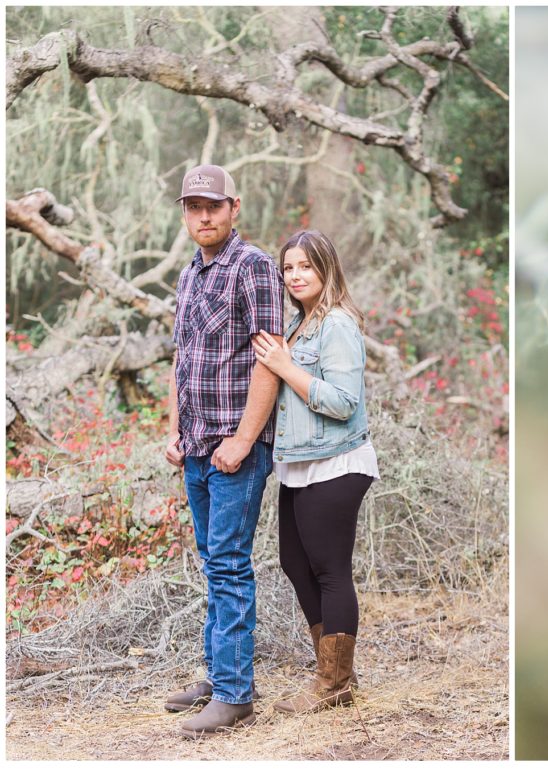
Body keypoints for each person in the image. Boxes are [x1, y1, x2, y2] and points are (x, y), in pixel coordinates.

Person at [163, 164, 285, 739]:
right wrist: (174, 430)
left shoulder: (254, 268)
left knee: (231, 565)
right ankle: (219, 675)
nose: (203, 216)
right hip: (196, 449)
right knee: (214, 564)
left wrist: (242, 440)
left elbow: (270, 359)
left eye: (212, 206)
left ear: (234, 207)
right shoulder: (190, 274)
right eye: (193, 206)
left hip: (236, 450)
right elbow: (181, 359)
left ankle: (236, 696)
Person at [251, 229, 378, 714]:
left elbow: (344, 404)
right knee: (295, 562)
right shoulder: (298, 324)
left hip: (337, 461)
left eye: (306, 265)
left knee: (328, 569)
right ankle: (333, 672)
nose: (296, 275)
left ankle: (334, 683)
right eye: (289, 267)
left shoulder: (337, 325)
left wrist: (286, 367)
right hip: (301, 463)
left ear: (327, 269)